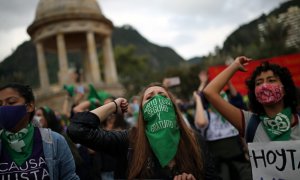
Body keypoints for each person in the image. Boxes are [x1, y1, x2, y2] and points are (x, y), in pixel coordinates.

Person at [68, 82, 218, 179]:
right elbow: (77, 130)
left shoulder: (193, 139)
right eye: (149, 98)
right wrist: (113, 105)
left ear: (172, 105)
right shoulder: (129, 140)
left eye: (162, 95)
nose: (156, 99)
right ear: (142, 112)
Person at [203, 56, 299, 143]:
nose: (264, 86)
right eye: (258, 83)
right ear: (255, 93)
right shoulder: (248, 122)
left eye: (271, 80)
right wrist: (235, 66)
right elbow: (209, 92)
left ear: (285, 88)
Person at [0, 83, 79, 179]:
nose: (3, 107)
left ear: (29, 106)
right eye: (0, 104)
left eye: (11, 102)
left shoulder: (55, 141)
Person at [193, 71, 252, 180]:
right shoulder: (205, 115)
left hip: (239, 160)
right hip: (219, 165)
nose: (219, 99)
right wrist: (201, 91)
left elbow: (237, 100)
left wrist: (228, 82)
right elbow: (201, 123)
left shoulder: (230, 113)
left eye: (221, 95)